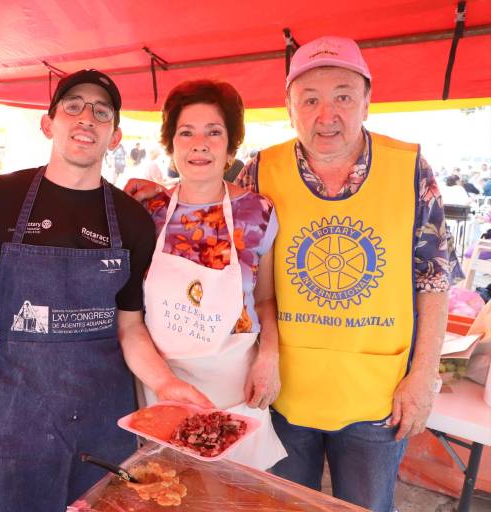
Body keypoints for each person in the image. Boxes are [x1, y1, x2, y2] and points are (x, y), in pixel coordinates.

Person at [127, 36, 449, 512]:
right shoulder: (264, 170)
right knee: (279, 505)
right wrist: (158, 193)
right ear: (289, 107)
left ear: (367, 100)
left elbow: (434, 280)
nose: (327, 115)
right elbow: (208, 199)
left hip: (376, 394)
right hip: (281, 395)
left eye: (343, 96)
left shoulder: (410, 169)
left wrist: (422, 376)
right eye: (310, 100)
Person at [0, 69, 211, 512]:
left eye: (101, 112)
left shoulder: (132, 220)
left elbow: (130, 327)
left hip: (104, 423)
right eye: (73, 106)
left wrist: (165, 383)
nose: (86, 118)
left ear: (115, 137)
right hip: (15, 421)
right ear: (48, 123)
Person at [139, 79, 286, 471]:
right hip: (163, 384)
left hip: (234, 386)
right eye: (186, 133)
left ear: (231, 148)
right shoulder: (148, 211)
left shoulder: (258, 213)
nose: (199, 144)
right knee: (170, 487)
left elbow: (265, 299)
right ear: (171, 146)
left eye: (214, 132)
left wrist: (269, 356)